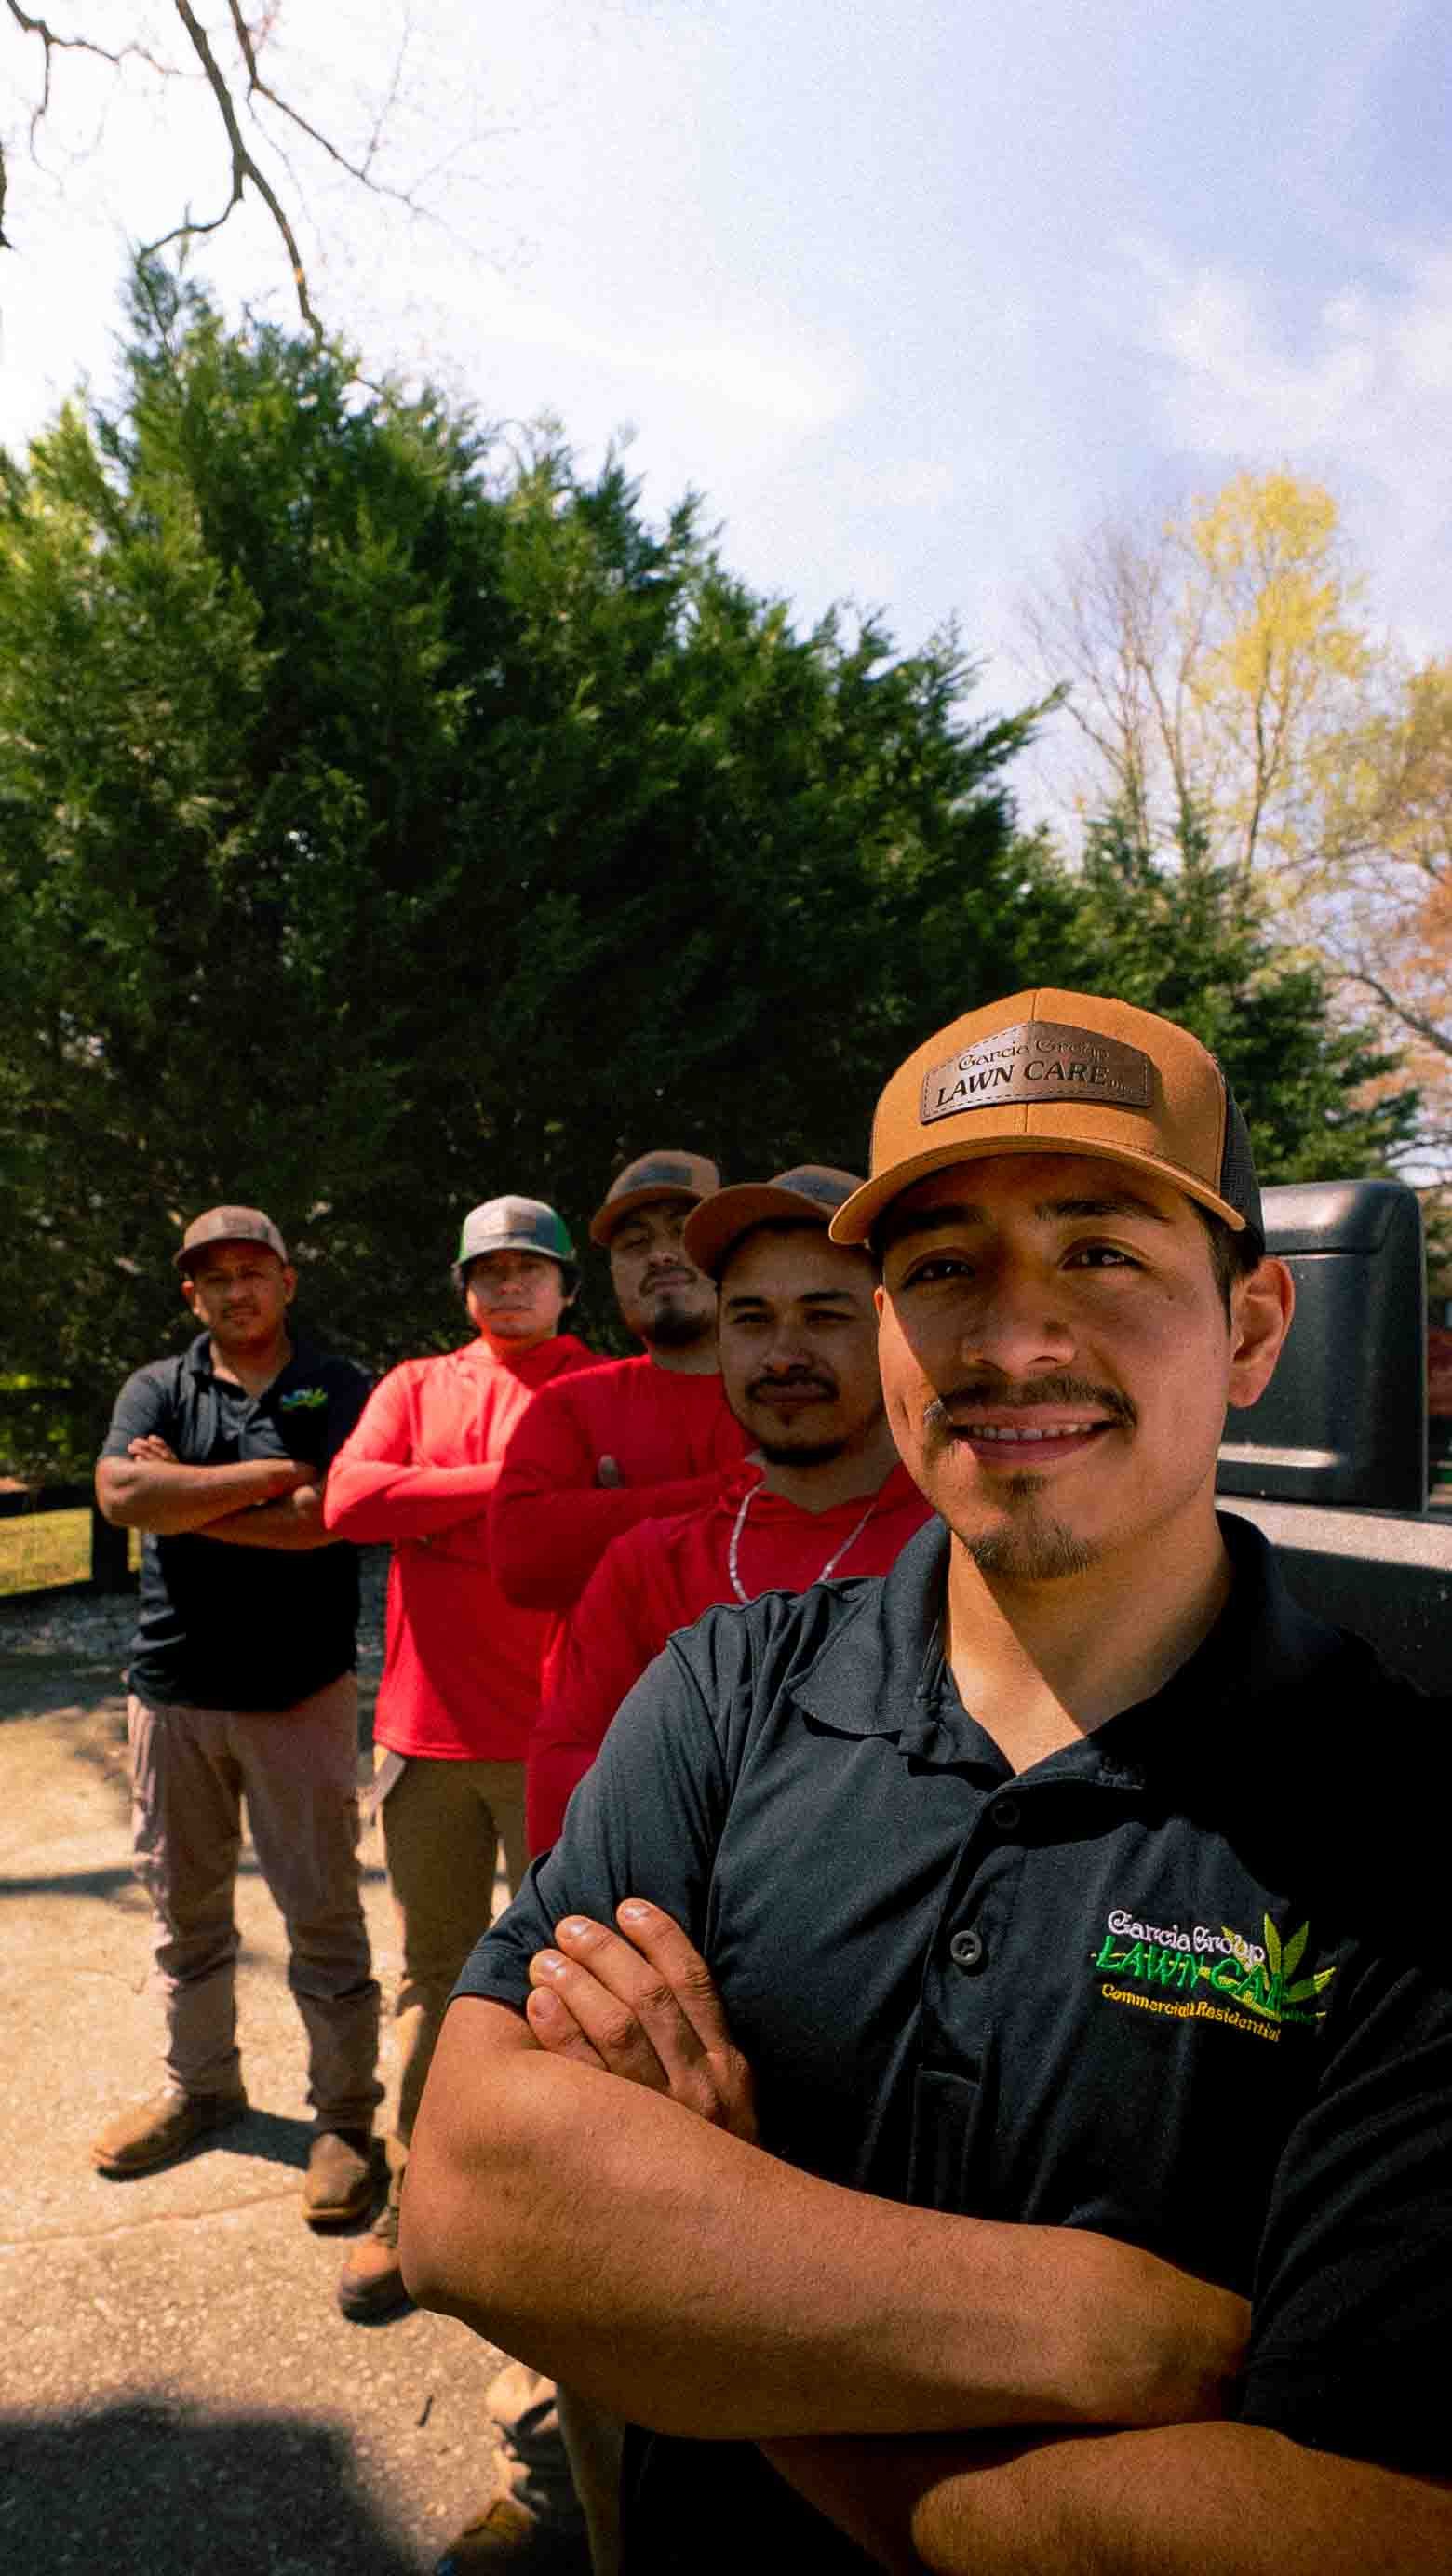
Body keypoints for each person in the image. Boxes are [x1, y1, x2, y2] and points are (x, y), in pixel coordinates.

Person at [403, 991, 1452, 2574]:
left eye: (1101, 1252)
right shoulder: (726, 1690)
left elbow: (1344, 2525)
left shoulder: (1407, 1832)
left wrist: (702, 2284)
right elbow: (473, 2193)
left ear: (1251, 1328)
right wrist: (1100, 2325)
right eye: (943, 1266)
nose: (1013, 1338)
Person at [320, 1196, 598, 2323]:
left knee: (567, 1983)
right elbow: (347, 1500)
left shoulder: (600, 1386)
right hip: (427, 1738)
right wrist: (513, 1496)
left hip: (567, 1734)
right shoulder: (416, 1386)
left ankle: (555, 2204)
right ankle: (412, 2197)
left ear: (570, 1286)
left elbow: (619, 1522)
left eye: (532, 1267)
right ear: (462, 1285)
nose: (510, 1285)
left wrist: (428, 1513)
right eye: (489, 1268)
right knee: (434, 1979)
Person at [90, 1205, 381, 2229]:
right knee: (186, 1916)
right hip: (170, 1695)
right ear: (191, 1294)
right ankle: (202, 2086)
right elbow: (122, 1494)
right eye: (214, 1277)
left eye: (253, 1271)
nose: (235, 1290)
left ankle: (345, 2118)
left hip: (298, 1697)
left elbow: (328, 1519)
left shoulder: (339, 1386)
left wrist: (188, 1493)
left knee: (325, 1922)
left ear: (287, 1281)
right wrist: (268, 1476)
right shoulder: (157, 1385)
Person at [529, 1167, 930, 1854]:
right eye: (751, 1320)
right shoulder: (648, 1565)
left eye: (825, 1316)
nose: (782, 1356)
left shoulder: (969, 1551)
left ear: (897, 1330)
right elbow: (568, 1808)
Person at [489, 1150, 748, 1624]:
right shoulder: (568, 1405)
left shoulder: (794, 1390)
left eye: (683, 1229)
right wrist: (743, 1488)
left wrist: (611, 1516)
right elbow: (522, 1563)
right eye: (635, 1242)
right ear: (613, 1274)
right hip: (614, 1698)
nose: (662, 1253)